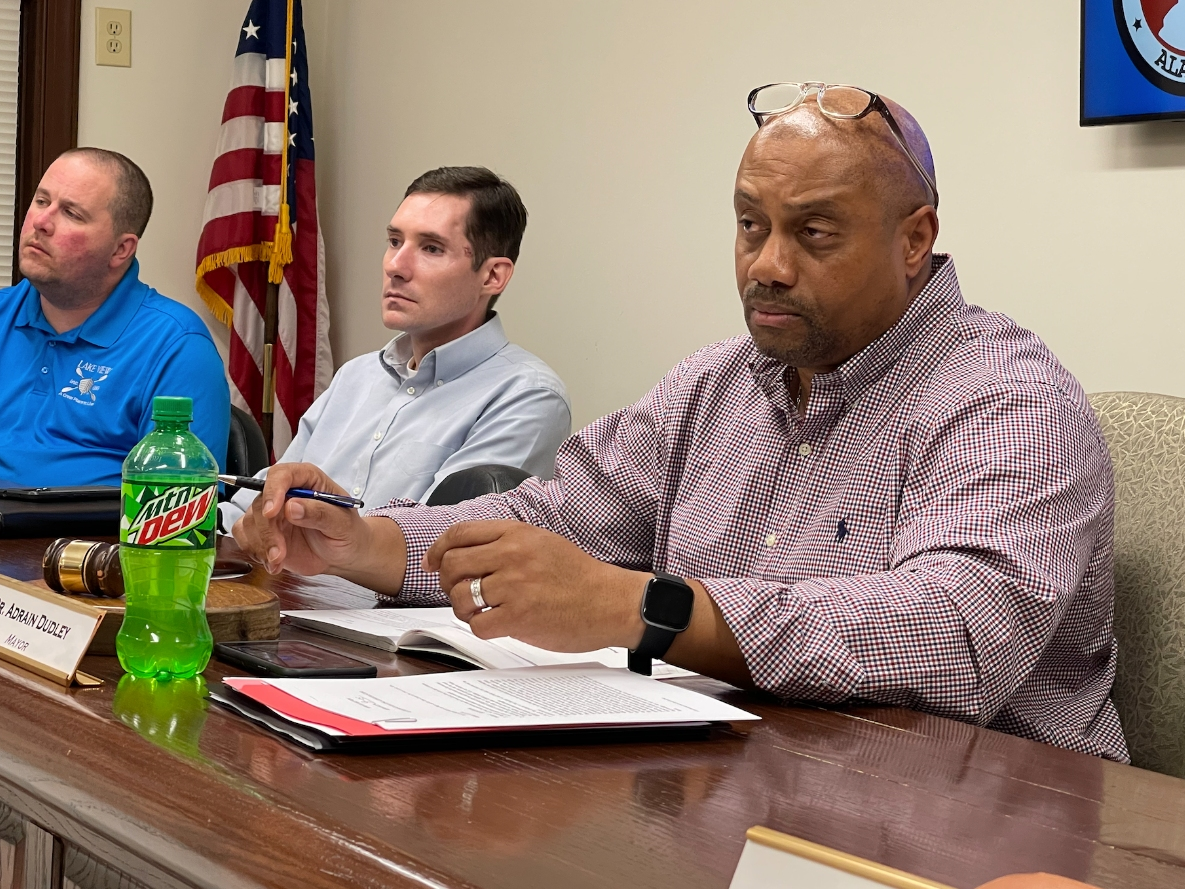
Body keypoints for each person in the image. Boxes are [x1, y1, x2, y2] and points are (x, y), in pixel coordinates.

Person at [233, 84, 1126, 762]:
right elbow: (555, 516)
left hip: (986, 816)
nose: (766, 264)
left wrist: (640, 607)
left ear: (913, 239)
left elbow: (955, 634)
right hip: (743, 774)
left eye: (813, 233)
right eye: (750, 225)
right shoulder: (714, 382)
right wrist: (364, 541)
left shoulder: (1006, 397)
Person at [220, 166, 570, 528]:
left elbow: (437, 543)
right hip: (271, 565)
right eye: (394, 241)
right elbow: (249, 510)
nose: (396, 266)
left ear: (492, 276)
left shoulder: (526, 396)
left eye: (431, 248)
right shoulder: (356, 376)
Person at [0, 148, 229, 486]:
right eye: (41, 201)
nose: (41, 222)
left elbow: (180, 502)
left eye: (71, 213)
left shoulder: (177, 347)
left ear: (121, 250)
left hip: (92, 521)